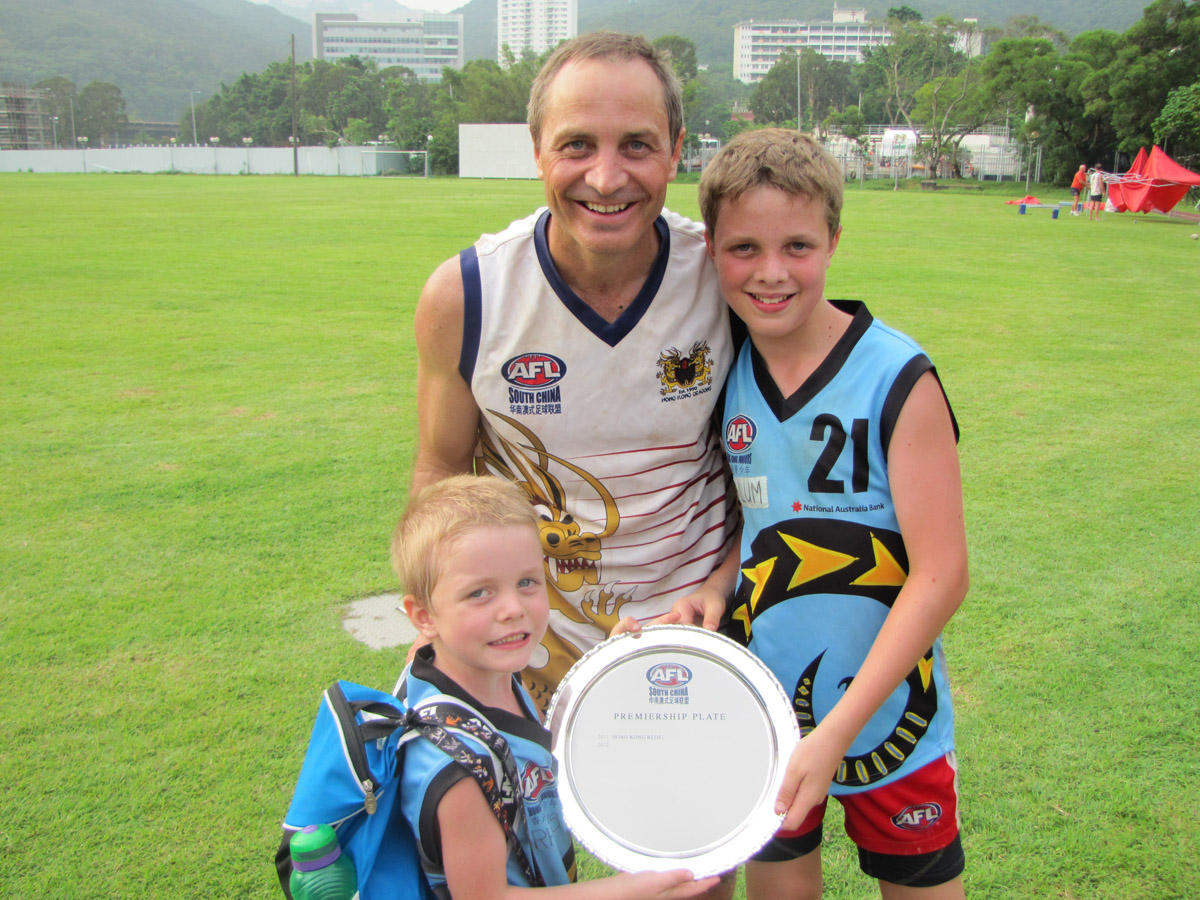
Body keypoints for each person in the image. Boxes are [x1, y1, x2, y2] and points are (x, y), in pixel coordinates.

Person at [673, 128, 970, 899]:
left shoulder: (898, 377)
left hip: (892, 723)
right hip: (766, 715)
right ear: (712, 250)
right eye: (744, 249)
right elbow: (760, 527)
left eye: (797, 246)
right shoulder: (727, 373)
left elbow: (942, 574)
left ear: (834, 240)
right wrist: (715, 585)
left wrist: (837, 732)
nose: (771, 273)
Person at [409, 31, 737, 711]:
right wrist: (435, 621)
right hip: (528, 648)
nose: (607, 178)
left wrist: (725, 585)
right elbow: (440, 471)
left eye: (637, 145)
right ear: (537, 150)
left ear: (676, 149)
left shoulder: (724, 277)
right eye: (577, 145)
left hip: (698, 636)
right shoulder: (467, 296)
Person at [391, 475, 718, 900]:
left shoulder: (487, 675)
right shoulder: (457, 767)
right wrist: (623, 892)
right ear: (423, 616)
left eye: (527, 582)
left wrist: (609, 669)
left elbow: (539, 752)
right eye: (479, 593)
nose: (513, 609)